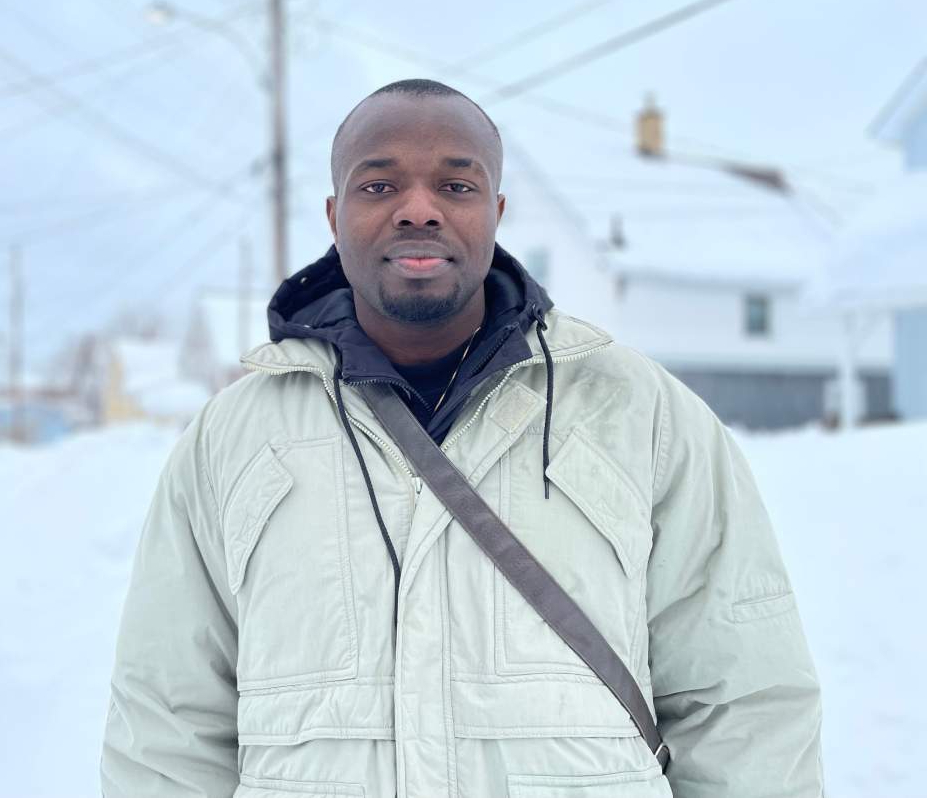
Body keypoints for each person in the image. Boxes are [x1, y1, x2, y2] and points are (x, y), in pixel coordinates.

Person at [100, 79, 823, 797]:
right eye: (379, 187)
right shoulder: (233, 440)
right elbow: (167, 726)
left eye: (456, 185)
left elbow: (745, 706)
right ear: (334, 213)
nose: (419, 210)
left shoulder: (643, 416)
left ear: (497, 210)